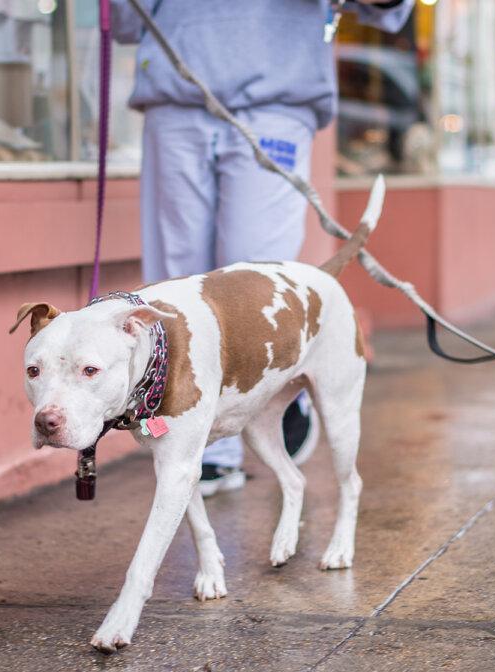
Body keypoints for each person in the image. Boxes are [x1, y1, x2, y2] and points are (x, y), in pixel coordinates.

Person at [113, 0, 413, 496]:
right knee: (171, 285)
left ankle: (273, 399)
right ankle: (194, 445)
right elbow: (125, 21)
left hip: (275, 99)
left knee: (251, 286)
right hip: (174, 97)